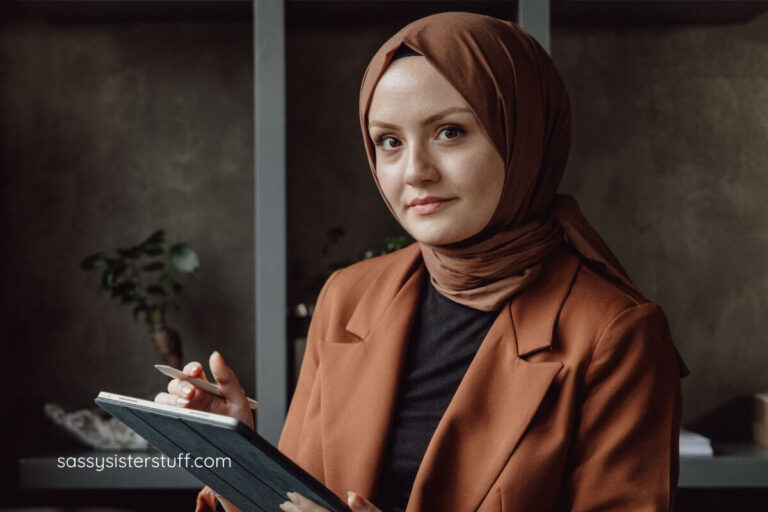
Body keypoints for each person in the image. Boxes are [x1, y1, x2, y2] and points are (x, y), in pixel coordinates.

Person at [155, 12, 689, 512]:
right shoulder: (348, 295)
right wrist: (238, 458)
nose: (414, 171)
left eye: (450, 131)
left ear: (523, 135)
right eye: (388, 141)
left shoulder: (617, 335)